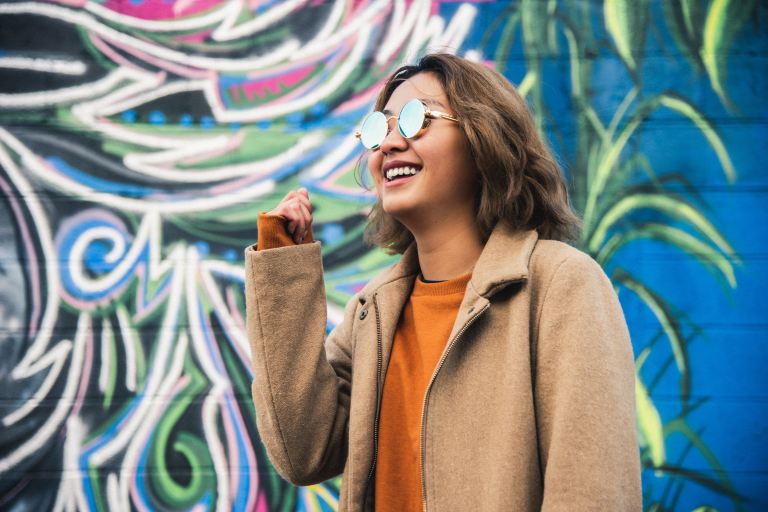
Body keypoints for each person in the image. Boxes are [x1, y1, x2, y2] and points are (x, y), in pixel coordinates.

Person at [244, 53, 641, 511]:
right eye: (379, 128)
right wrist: (282, 266)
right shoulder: (373, 313)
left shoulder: (559, 285)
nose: (389, 144)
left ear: (483, 138)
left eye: (415, 120)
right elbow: (304, 454)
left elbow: (591, 493)